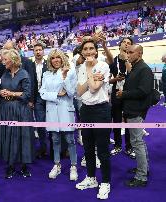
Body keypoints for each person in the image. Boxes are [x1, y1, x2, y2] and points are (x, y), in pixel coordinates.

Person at [75, 40, 112, 200]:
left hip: (101, 110)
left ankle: (105, 182)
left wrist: (90, 74)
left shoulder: (103, 66)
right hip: (85, 110)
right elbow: (80, 91)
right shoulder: (80, 67)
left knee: (102, 150)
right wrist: (90, 76)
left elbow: (94, 88)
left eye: (91, 48)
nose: (89, 51)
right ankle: (91, 178)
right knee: (88, 148)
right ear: (82, 52)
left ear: (96, 51)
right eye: (85, 49)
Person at [116, 44, 153, 187]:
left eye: (131, 52)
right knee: (138, 142)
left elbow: (143, 91)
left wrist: (123, 94)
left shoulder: (144, 69)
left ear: (140, 54)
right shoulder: (135, 68)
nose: (128, 54)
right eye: (127, 52)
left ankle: (141, 176)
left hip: (137, 111)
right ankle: (144, 169)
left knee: (137, 143)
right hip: (132, 110)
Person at [39, 49, 78, 181]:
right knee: (55, 139)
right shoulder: (46, 74)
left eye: (58, 57)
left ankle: (73, 166)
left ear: (62, 59)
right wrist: (56, 95)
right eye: (53, 58)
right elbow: (42, 93)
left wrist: (65, 77)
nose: (56, 60)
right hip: (51, 111)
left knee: (70, 140)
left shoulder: (71, 72)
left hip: (66, 110)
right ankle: (57, 164)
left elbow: (72, 92)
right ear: (50, 60)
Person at [0, 49, 34, 179]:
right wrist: (1, 93)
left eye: (5, 60)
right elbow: (1, 89)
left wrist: (11, 93)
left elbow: (27, 94)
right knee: (8, 136)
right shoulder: (4, 74)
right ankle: (11, 165)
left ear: (13, 60)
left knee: (22, 136)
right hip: (6, 110)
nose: (3, 62)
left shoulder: (24, 74)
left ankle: (24, 166)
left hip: (21, 110)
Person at [109, 37, 135, 159]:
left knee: (129, 121)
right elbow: (108, 80)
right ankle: (118, 145)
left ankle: (129, 147)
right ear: (119, 45)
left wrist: (126, 60)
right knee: (117, 121)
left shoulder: (132, 60)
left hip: (129, 94)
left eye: (129, 43)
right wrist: (115, 79)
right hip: (116, 94)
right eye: (124, 42)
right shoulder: (112, 60)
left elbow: (133, 75)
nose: (126, 44)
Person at [31, 42, 49, 158]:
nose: (38, 52)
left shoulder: (49, 65)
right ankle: (43, 149)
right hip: (37, 98)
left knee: (53, 124)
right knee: (41, 125)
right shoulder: (30, 65)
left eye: (40, 50)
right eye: (36, 50)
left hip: (49, 97)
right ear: (34, 52)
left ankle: (56, 148)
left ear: (43, 51)